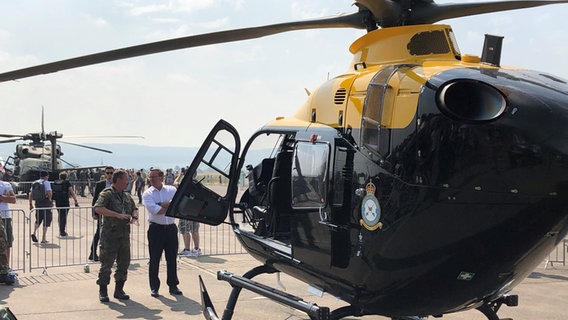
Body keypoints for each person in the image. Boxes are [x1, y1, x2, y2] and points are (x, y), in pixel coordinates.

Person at [94, 169, 139, 302]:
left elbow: (134, 207)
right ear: (119, 180)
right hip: (110, 235)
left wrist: (135, 217)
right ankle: (103, 291)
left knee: (124, 263)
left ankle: (119, 290)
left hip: (124, 235)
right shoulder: (107, 194)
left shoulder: (126, 196)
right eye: (126, 179)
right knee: (106, 264)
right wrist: (117, 215)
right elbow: (98, 208)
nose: (128, 181)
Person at [143, 168, 182, 297]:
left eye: (154, 177)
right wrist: (169, 206)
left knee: (172, 259)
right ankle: (154, 287)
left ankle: (173, 285)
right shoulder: (147, 193)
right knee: (154, 259)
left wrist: (161, 204)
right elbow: (154, 210)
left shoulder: (172, 190)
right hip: (156, 229)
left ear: (161, 177)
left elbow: (178, 206)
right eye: (150, 177)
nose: (151, 179)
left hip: (170, 228)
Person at [89, 166, 114, 261]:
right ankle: (93, 252)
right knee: (99, 232)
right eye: (108, 173)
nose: (109, 175)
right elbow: (95, 199)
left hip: (113, 212)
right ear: (105, 174)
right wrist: (94, 212)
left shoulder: (116, 184)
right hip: (102, 212)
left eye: (111, 173)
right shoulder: (100, 184)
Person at [52, 171, 80, 237]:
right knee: (64, 216)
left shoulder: (55, 182)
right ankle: (62, 231)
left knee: (60, 215)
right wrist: (75, 200)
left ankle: (60, 230)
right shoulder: (67, 182)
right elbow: (71, 191)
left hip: (57, 201)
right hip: (65, 201)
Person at [29, 171, 53, 244]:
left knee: (38, 218)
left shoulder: (35, 183)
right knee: (47, 219)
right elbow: (49, 192)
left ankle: (34, 232)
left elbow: (31, 194)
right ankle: (43, 238)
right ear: (46, 176)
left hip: (38, 202)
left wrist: (30, 203)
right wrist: (50, 200)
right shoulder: (46, 183)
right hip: (45, 202)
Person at [0, 177, 16, 270]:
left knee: (8, 242)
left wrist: (2, 197)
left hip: (5, 217)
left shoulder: (6, 184)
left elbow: (13, 199)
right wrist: (5, 197)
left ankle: (6, 266)